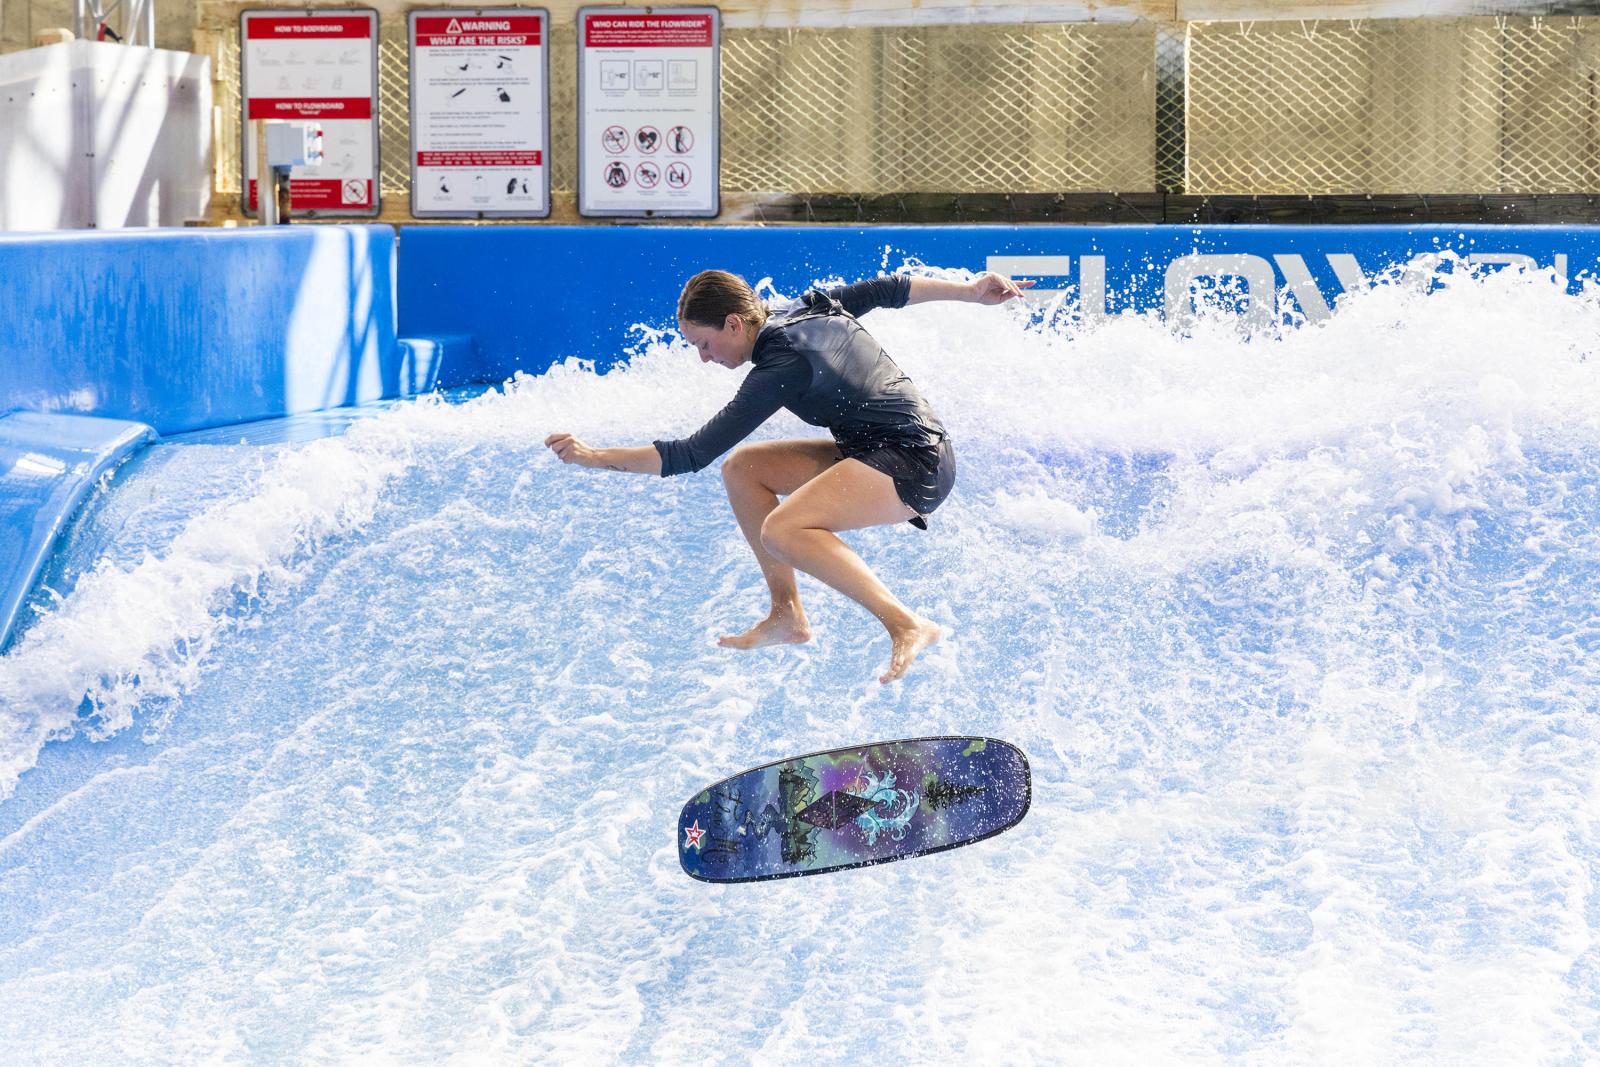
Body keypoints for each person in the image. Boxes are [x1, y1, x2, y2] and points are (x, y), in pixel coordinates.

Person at [545, 268, 1033, 683]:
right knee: (745, 469)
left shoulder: (781, 365)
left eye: (705, 343)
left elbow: (691, 453)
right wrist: (969, 291)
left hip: (914, 462)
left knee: (782, 529)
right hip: (871, 448)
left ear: (734, 324)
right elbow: (889, 290)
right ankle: (787, 615)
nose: (705, 357)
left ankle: (906, 624)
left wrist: (593, 457)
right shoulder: (799, 309)